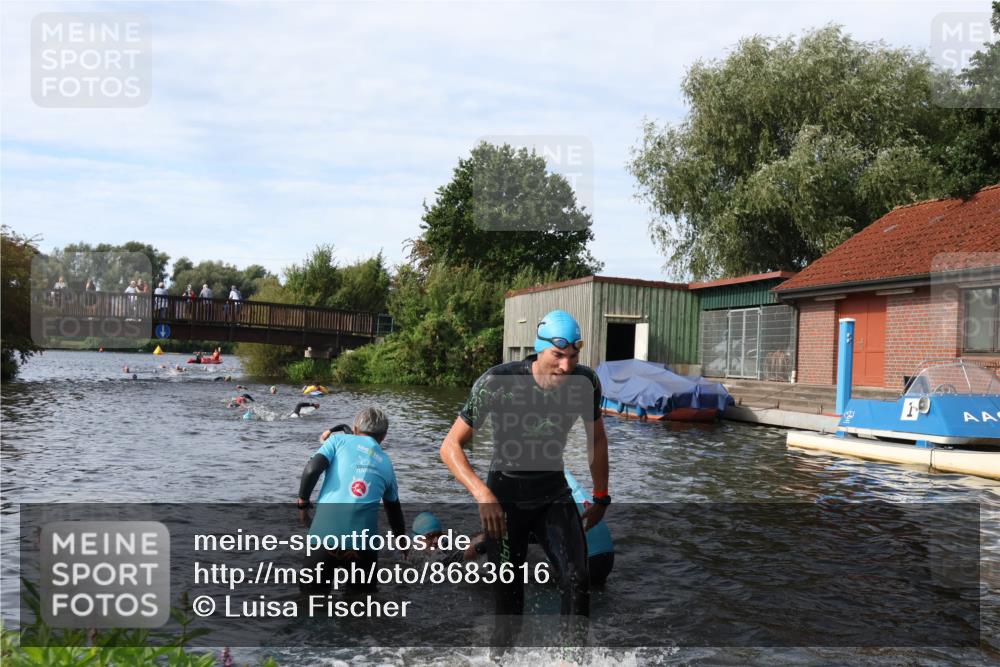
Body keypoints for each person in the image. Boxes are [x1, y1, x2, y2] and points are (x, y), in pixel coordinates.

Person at [439, 309, 609, 649]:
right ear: (539, 349)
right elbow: (449, 446)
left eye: (573, 357)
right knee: (509, 601)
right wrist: (482, 494)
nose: (566, 366)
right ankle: (500, 658)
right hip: (504, 500)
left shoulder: (585, 382)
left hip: (553, 494)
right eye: (558, 356)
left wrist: (601, 495)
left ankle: (571, 659)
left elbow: (597, 439)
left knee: (577, 581)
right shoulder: (497, 382)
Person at [297, 407, 405, 595]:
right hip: (363, 548)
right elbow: (393, 509)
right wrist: (402, 544)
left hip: (324, 539)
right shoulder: (387, 463)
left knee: (310, 603)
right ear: (384, 436)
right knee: (360, 608)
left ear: (355, 429)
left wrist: (303, 504)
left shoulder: (338, 441)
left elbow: (311, 470)